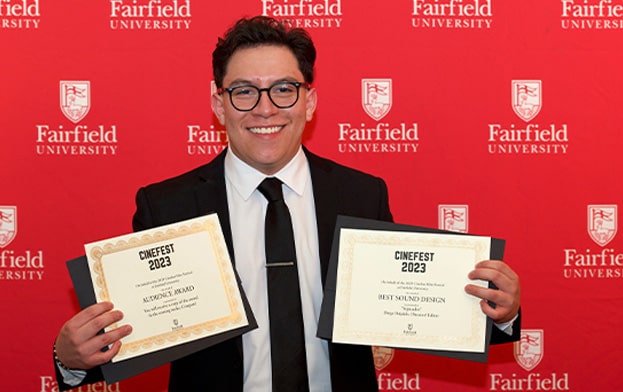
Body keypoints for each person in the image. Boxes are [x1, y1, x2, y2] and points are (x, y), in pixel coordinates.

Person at [53, 15, 521, 392]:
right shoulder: (166, 205)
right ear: (219, 105)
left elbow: (406, 307)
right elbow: (139, 333)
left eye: (283, 89)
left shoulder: (362, 194)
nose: (264, 107)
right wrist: (70, 361)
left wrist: (499, 312)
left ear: (309, 100)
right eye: (243, 91)